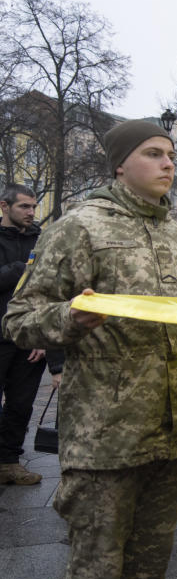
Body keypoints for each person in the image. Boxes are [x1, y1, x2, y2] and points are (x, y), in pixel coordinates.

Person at [3, 119, 177, 579]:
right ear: (120, 164)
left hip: (173, 429)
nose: (168, 163)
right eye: (154, 153)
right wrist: (71, 317)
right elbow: (19, 319)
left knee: (148, 578)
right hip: (106, 435)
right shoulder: (79, 226)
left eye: (170, 155)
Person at [0, 184, 46, 485]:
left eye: (33, 207)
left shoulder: (42, 241)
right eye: (24, 207)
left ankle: (8, 462)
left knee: (20, 404)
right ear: (5, 206)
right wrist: (21, 268)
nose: (31, 213)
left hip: (29, 338)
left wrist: (44, 338)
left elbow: (51, 291)